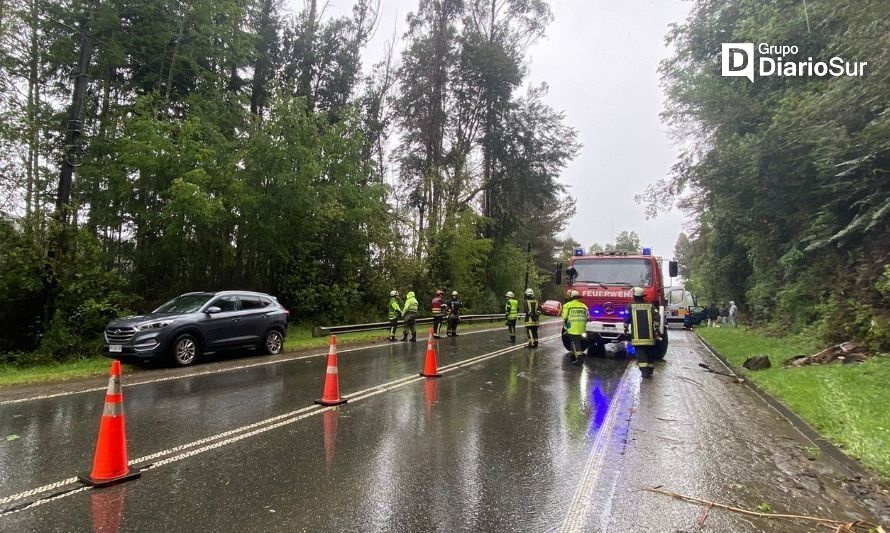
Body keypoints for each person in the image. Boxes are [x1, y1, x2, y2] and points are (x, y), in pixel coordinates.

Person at [624, 286, 661, 378]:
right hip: (650, 336)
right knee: (649, 352)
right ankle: (650, 369)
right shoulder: (650, 305)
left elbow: (626, 319)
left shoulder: (630, 306)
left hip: (637, 337)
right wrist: (656, 329)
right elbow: (657, 317)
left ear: (634, 296)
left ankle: (645, 372)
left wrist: (625, 328)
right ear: (643, 296)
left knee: (641, 354)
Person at [562, 290, 589, 366]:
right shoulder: (584, 306)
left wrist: (566, 327)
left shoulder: (567, 305)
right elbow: (588, 317)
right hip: (582, 328)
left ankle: (579, 359)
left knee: (575, 342)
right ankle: (572, 355)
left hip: (572, 328)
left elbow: (564, 317)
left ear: (571, 297)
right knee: (574, 342)